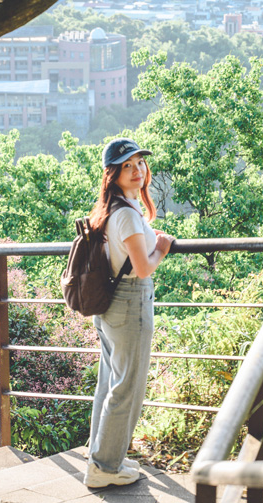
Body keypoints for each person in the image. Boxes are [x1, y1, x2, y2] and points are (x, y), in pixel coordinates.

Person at [82, 137, 175, 489]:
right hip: (130, 303)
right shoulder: (126, 215)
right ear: (113, 174)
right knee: (127, 388)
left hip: (110, 306)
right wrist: (162, 248)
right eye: (127, 166)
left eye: (140, 163)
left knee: (110, 384)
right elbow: (143, 266)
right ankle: (105, 467)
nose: (137, 171)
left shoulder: (113, 210)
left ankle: (102, 457)